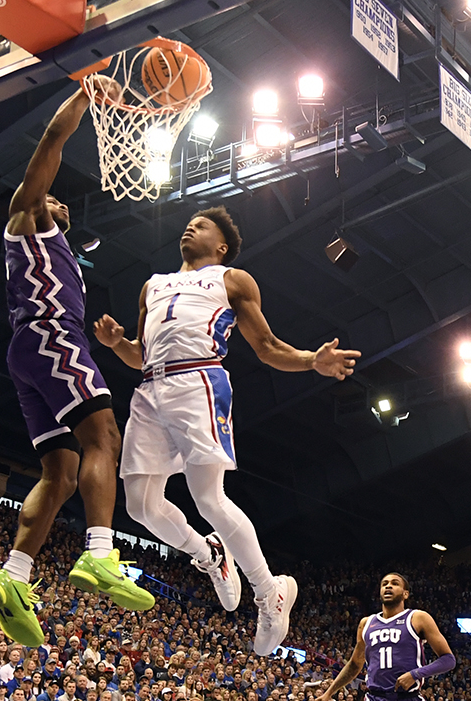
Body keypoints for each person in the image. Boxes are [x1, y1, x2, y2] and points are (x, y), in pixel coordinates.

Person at [94, 205, 360, 655]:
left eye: (202, 225)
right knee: (139, 506)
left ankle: (269, 591)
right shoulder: (152, 285)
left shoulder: (232, 279)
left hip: (198, 379)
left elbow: (268, 346)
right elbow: (140, 354)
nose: (190, 226)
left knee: (208, 498)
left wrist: (311, 360)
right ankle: (209, 555)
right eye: (190, 222)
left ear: (220, 245)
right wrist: (118, 343)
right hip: (151, 387)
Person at [0, 78, 154, 648]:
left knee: (61, 473)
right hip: (50, 337)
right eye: (54, 195)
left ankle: (13, 575)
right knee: (105, 435)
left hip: (31, 350)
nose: (58, 199)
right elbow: (52, 141)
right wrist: (85, 93)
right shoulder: (27, 218)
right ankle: (101, 553)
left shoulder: (60, 254)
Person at [317, 573, 456, 701]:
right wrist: (329, 693)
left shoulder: (418, 618)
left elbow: (448, 659)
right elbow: (354, 665)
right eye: (384, 584)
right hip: (374, 698)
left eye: (395, 583)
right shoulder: (366, 623)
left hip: (408, 698)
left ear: (405, 594)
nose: (388, 586)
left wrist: (416, 674)